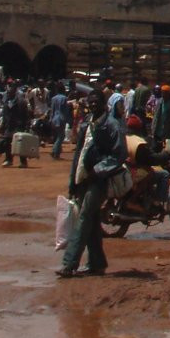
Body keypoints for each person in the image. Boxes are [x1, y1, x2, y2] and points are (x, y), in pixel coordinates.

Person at [60, 98, 124, 279]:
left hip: (99, 180)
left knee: (84, 216)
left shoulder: (112, 126)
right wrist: (73, 181)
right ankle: (97, 264)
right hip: (82, 178)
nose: (93, 108)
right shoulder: (86, 124)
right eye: (91, 105)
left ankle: (69, 263)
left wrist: (98, 170)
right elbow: (78, 155)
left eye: (97, 105)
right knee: (92, 220)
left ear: (104, 106)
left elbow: (119, 154)